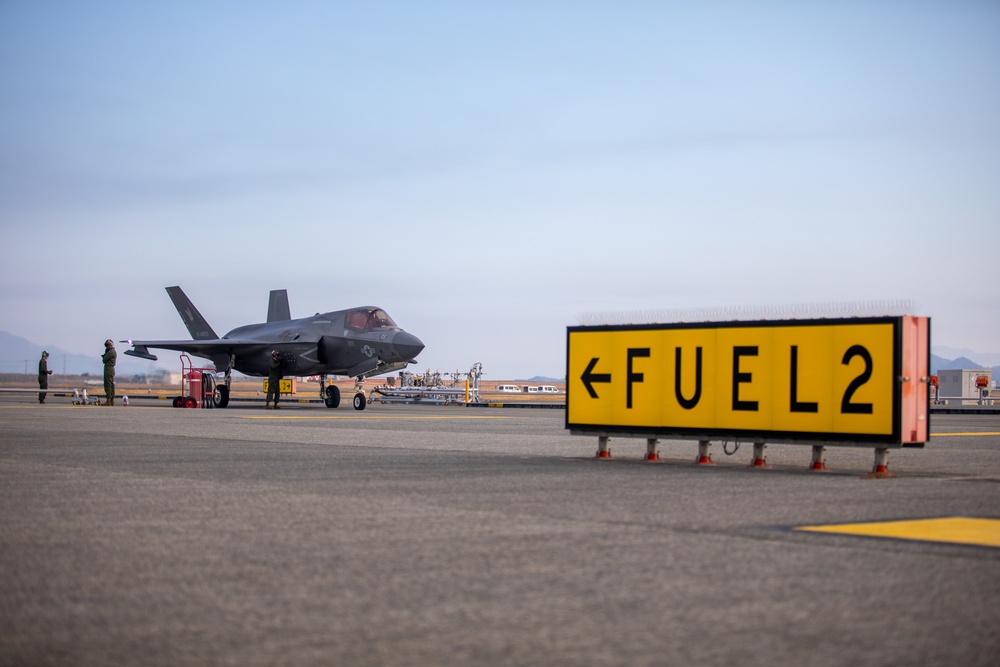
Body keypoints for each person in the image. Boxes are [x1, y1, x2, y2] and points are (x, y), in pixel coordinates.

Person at [101, 339, 117, 406]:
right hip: (110, 369)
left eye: (107, 345)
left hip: (109, 368)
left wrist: (106, 352)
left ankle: (108, 400)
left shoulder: (111, 352)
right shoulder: (113, 352)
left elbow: (104, 360)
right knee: (111, 384)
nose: (107, 347)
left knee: (108, 384)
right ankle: (111, 400)